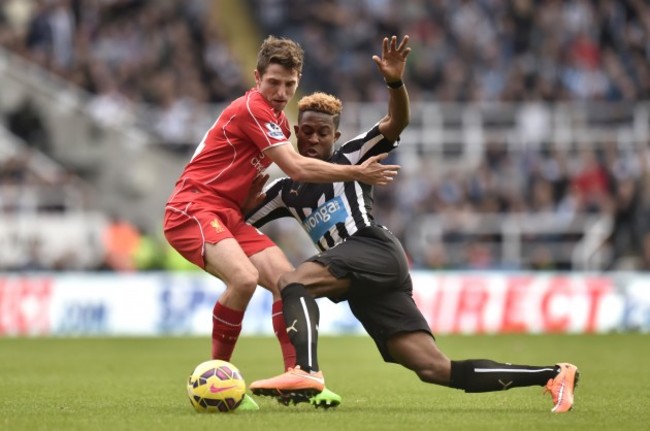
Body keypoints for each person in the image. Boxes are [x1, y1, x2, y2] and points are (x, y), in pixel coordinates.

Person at [245, 35, 580, 413]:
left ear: (335, 136)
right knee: (434, 368)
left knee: (291, 282)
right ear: (294, 132)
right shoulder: (286, 190)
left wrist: (394, 82)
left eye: (323, 133)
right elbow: (241, 218)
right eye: (307, 131)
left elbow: (396, 120)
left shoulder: (352, 155)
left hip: (373, 249)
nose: (314, 139)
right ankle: (554, 374)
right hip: (362, 283)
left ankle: (306, 370)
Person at [163, 35, 399, 410]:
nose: (280, 91)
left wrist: (248, 195)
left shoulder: (276, 121)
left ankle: (299, 377)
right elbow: (294, 167)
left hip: (227, 212)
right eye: (273, 82)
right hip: (194, 207)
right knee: (243, 279)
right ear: (257, 78)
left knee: (287, 282)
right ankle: (217, 381)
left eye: (289, 84)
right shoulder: (253, 107)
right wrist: (356, 172)